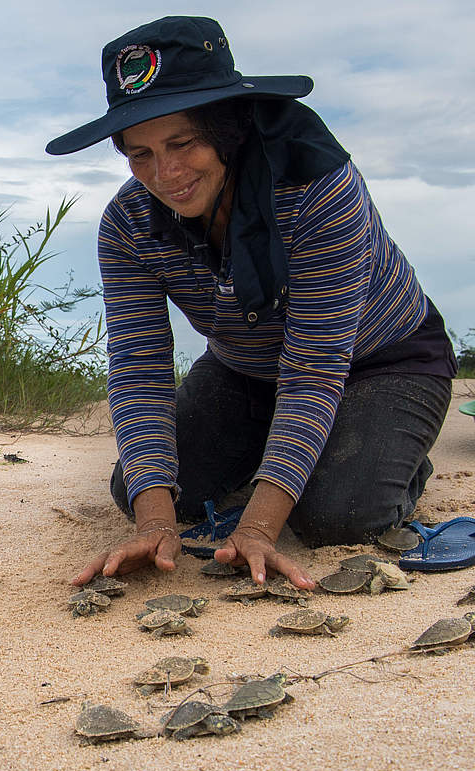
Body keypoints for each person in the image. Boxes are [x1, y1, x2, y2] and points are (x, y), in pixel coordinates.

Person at [46, 16, 456, 587]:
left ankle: (388, 457)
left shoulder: (317, 189)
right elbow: (138, 370)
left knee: (339, 516)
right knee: (141, 490)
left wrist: (261, 525)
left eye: (182, 143)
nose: (165, 174)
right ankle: (290, 452)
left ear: (228, 128)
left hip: (382, 361)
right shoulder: (128, 223)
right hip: (248, 370)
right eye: (139, 154)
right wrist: (154, 522)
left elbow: (314, 368)